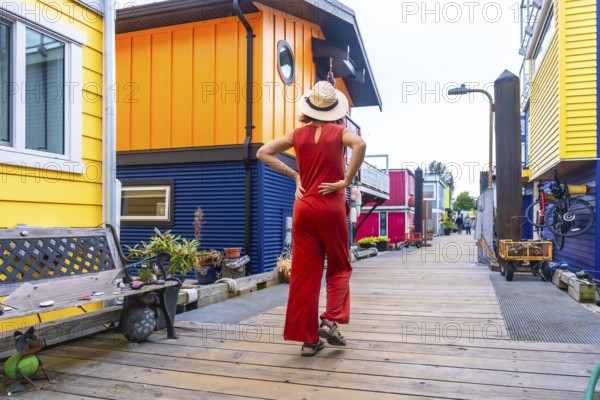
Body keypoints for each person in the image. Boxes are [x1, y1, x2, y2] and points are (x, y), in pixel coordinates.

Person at [257, 81, 366, 357]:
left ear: (310, 108)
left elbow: (262, 152)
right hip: (330, 205)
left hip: (303, 207)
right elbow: (360, 144)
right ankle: (329, 320)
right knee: (340, 266)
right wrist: (345, 180)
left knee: (305, 274)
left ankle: (308, 341)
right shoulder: (339, 132)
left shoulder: (297, 134)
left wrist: (295, 175)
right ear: (334, 110)